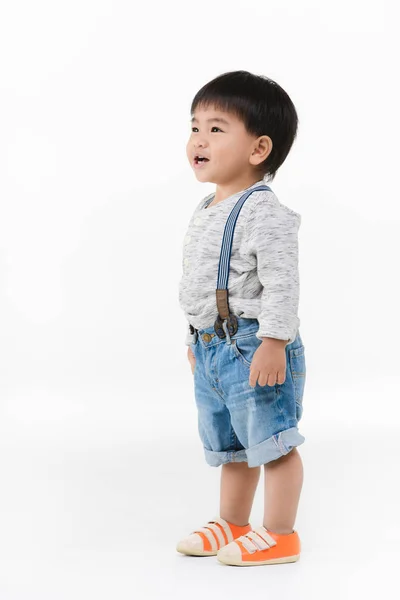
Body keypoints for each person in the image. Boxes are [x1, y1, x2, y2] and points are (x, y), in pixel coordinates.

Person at [177, 70, 306, 567]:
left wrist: (274, 341)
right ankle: (232, 522)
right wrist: (194, 339)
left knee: (271, 440)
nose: (198, 140)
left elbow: (282, 283)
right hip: (214, 348)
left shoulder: (262, 211)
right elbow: (197, 281)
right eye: (194, 127)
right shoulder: (207, 206)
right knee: (231, 445)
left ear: (258, 149)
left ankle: (281, 534)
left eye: (216, 128)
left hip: (253, 345)